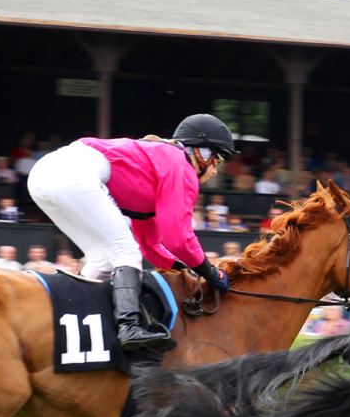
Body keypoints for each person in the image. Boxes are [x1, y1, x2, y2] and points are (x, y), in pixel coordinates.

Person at [27, 114, 233, 350]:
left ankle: (71, 316)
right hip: (72, 173)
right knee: (125, 252)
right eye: (217, 161)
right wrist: (210, 272)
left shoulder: (161, 163)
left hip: (43, 174)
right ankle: (129, 327)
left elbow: (151, 245)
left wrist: (185, 270)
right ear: (202, 154)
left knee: (103, 260)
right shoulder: (182, 167)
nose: (215, 171)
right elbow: (178, 238)